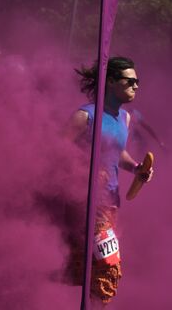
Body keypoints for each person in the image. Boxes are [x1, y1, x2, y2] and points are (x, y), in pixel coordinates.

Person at [63, 56, 154, 305]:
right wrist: (85, 169)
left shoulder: (124, 118)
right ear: (111, 82)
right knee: (108, 268)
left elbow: (117, 152)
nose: (136, 86)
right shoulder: (85, 116)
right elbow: (56, 152)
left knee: (87, 269)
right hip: (86, 203)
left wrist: (136, 168)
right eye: (130, 81)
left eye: (138, 82)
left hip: (111, 204)